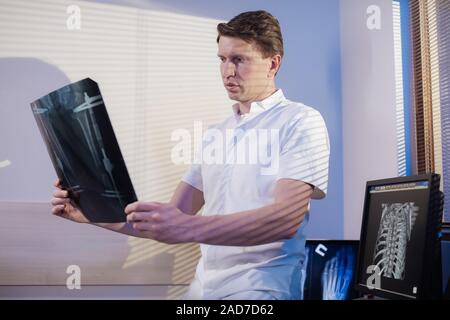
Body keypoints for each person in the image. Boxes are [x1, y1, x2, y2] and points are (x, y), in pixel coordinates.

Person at [51, 10, 330, 300]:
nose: (227, 71)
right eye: (222, 59)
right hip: (202, 290)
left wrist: (186, 226)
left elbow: (285, 220)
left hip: (260, 290)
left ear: (273, 64)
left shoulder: (300, 121)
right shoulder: (216, 134)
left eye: (239, 59)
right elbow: (172, 219)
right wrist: (91, 215)